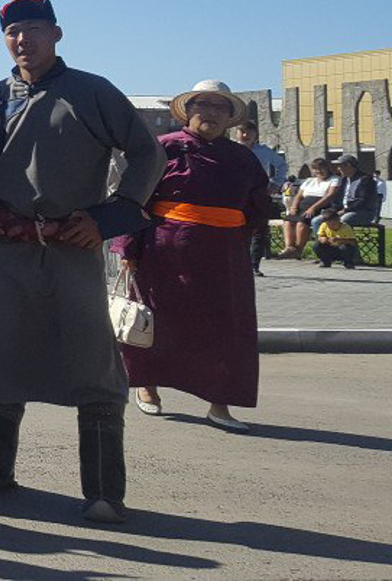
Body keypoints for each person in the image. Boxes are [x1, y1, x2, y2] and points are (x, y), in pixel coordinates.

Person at [0, 0, 162, 525]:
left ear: (57, 34)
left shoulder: (93, 92)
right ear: (4, 40)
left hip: (74, 246)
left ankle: (104, 491)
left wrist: (110, 216)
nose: (24, 40)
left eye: (35, 29)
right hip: (8, 251)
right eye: (14, 32)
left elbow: (146, 155)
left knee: (92, 364)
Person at [115, 80, 271, 435]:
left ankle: (220, 403)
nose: (211, 114)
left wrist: (242, 237)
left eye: (220, 108)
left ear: (230, 117)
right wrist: (128, 249)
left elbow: (258, 207)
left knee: (226, 327)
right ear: (188, 111)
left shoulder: (243, 158)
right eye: (204, 106)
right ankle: (146, 383)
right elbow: (134, 200)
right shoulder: (164, 148)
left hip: (224, 256)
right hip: (165, 250)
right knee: (155, 321)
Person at [237, 121, 288, 275]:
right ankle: (238, 264)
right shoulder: (231, 149)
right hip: (237, 192)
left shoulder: (264, 151)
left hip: (260, 192)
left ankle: (254, 265)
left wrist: (276, 183)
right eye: (242, 132)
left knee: (259, 230)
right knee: (237, 230)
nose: (245, 136)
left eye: (249, 132)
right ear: (237, 134)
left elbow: (282, 165)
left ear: (256, 135)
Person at [281, 157, 340, 259]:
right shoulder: (309, 181)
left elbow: (329, 196)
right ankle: (289, 248)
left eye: (321, 169)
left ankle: (298, 250)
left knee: (301, 223)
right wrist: (294, 206)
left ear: (327, 168)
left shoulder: (334, 179)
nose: (318, 171)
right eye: (316, 169)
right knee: (287, 222)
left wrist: (313, 208)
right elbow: (299, 196)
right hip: (302, 205)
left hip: (319, 206)